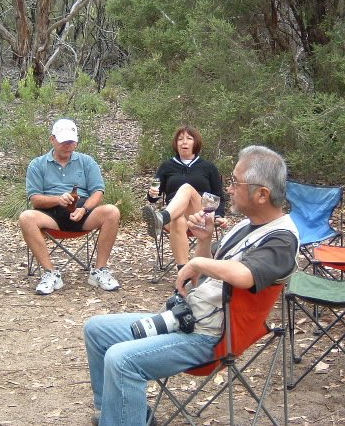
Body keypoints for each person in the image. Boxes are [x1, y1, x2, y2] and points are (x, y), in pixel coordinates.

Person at [84, 145, 299, 426]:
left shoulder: (282, 239)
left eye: (235, 182)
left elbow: (244, 275)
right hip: (188, 318)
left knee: (121, 359)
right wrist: (204, 241)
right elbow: (209, 279)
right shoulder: (247, 225)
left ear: (262, 194)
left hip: (212, 337)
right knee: (96, 330)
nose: (229, 189)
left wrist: (197, 264)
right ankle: (122, 415)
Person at [19, 118, 121, 295]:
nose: (67, 145)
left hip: (83, 213)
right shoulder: (38, 164)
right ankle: (50, 273)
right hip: (51, 215)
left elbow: (98, 191)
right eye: (63, 141)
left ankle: (99, 271)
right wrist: (58, 199)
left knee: (112, 211)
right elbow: (35, 199)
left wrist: (85, 209)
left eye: (71, 141)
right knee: (26, 217)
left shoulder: (87, 161)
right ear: (52, 139)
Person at [141, 125, 227, 271]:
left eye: (189, 138)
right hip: (176, 215)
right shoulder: (166, 167)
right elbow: (153, 198)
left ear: (196, 143)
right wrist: (151, 194)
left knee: (186, 188)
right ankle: (184, 271)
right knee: (177, 220)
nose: (184, 142)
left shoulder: (208, 167)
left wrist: (219, 215)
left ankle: (161, 218)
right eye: (180, 139)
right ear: (176, 143)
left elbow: (218, 196)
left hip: (201, 214)